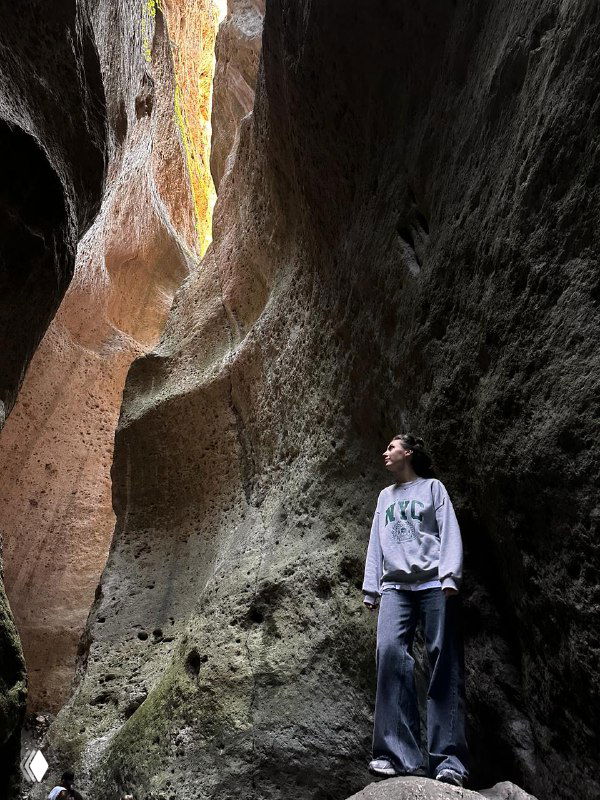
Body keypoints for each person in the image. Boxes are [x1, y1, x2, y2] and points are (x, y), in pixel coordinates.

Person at [362, 433, 469, 786]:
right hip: (395, 587)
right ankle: (398, 755)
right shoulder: (384, 497)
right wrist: (371, 587)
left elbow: (449, 529)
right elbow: (376, 540)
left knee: (443, 659)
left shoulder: (433, 489)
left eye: (391, 446)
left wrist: (449, 574)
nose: (384, 452)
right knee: (390, 654)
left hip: (433, 584)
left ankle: (448, 760)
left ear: (408, 452)